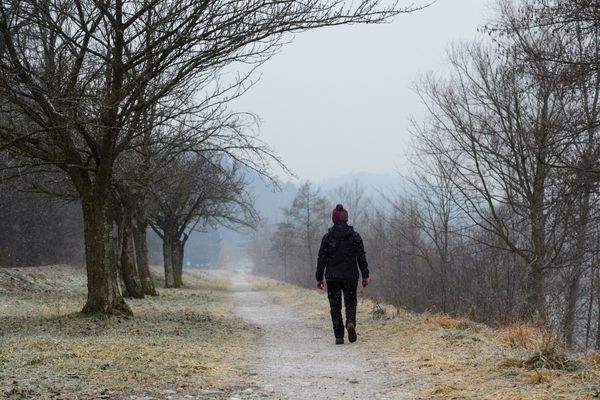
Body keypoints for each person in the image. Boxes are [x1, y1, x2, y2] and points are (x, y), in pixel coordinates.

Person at [316, 204, 369, 344]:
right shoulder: (355, 237)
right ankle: (350, 322)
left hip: (332, 277)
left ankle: (339, 335)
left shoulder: (327, 238)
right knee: (351, 302)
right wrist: (365, 275)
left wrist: (319, 278)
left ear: (333, 220)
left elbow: (321, 258)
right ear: (346, 219)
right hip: (350, 276)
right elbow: (361, 257)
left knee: (335, 306)